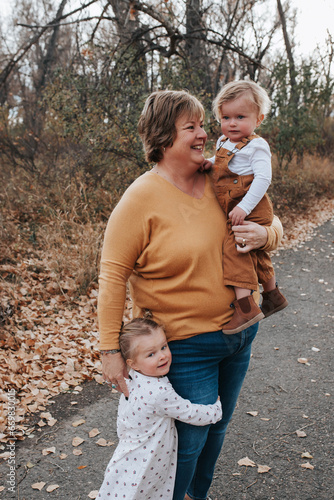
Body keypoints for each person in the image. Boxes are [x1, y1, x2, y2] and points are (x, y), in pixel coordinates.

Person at [98, 89, 283, 500]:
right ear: (164, 139)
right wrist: (110, 350)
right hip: (184, 345)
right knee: (186, 445)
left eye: (203, 124)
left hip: (239, 336)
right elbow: (112, 275)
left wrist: (266, 234)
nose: (205, 134)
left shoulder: (219, 177)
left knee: (216, 433)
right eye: (192, 127)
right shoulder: (140, 199)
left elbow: (271, 221)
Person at [97, 318, 222, 500]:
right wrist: (215, 410)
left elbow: (122, 418)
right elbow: (188, 412)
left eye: (163, 347)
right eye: (151, 354)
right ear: (133, 363)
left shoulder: (132, 379)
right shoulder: (158, 392)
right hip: (149, 458)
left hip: (128, 453)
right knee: (146, 492)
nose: (162, 356)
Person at [202, 80, 288, 334]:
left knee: (236, 248)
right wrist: (207, 163)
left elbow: (263, 178)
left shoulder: (257, 145)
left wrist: (245, 208)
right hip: (239, 205)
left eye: (240, 116)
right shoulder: (223, 142)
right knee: (256, 252)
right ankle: (272, 294)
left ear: (258, 119)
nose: (232, 123)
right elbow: (220, 162)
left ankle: (245, 306)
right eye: (225, 117)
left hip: (251, 205)